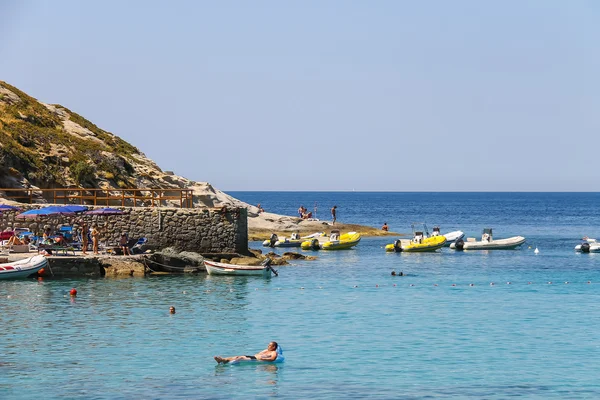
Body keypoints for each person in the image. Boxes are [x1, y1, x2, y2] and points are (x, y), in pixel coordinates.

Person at [214, 341, 279, 364]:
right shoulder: (266, 350)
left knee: (240, 357)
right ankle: (223, 359)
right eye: (268, 345)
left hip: (256, 359)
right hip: (253, 357)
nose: (268, 346)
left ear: (274, 347)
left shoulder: (273, 352)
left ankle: (223, 360)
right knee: (238, 356)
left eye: (270, 345)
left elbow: (273, 359)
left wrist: (263, 359)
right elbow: (258, 354)